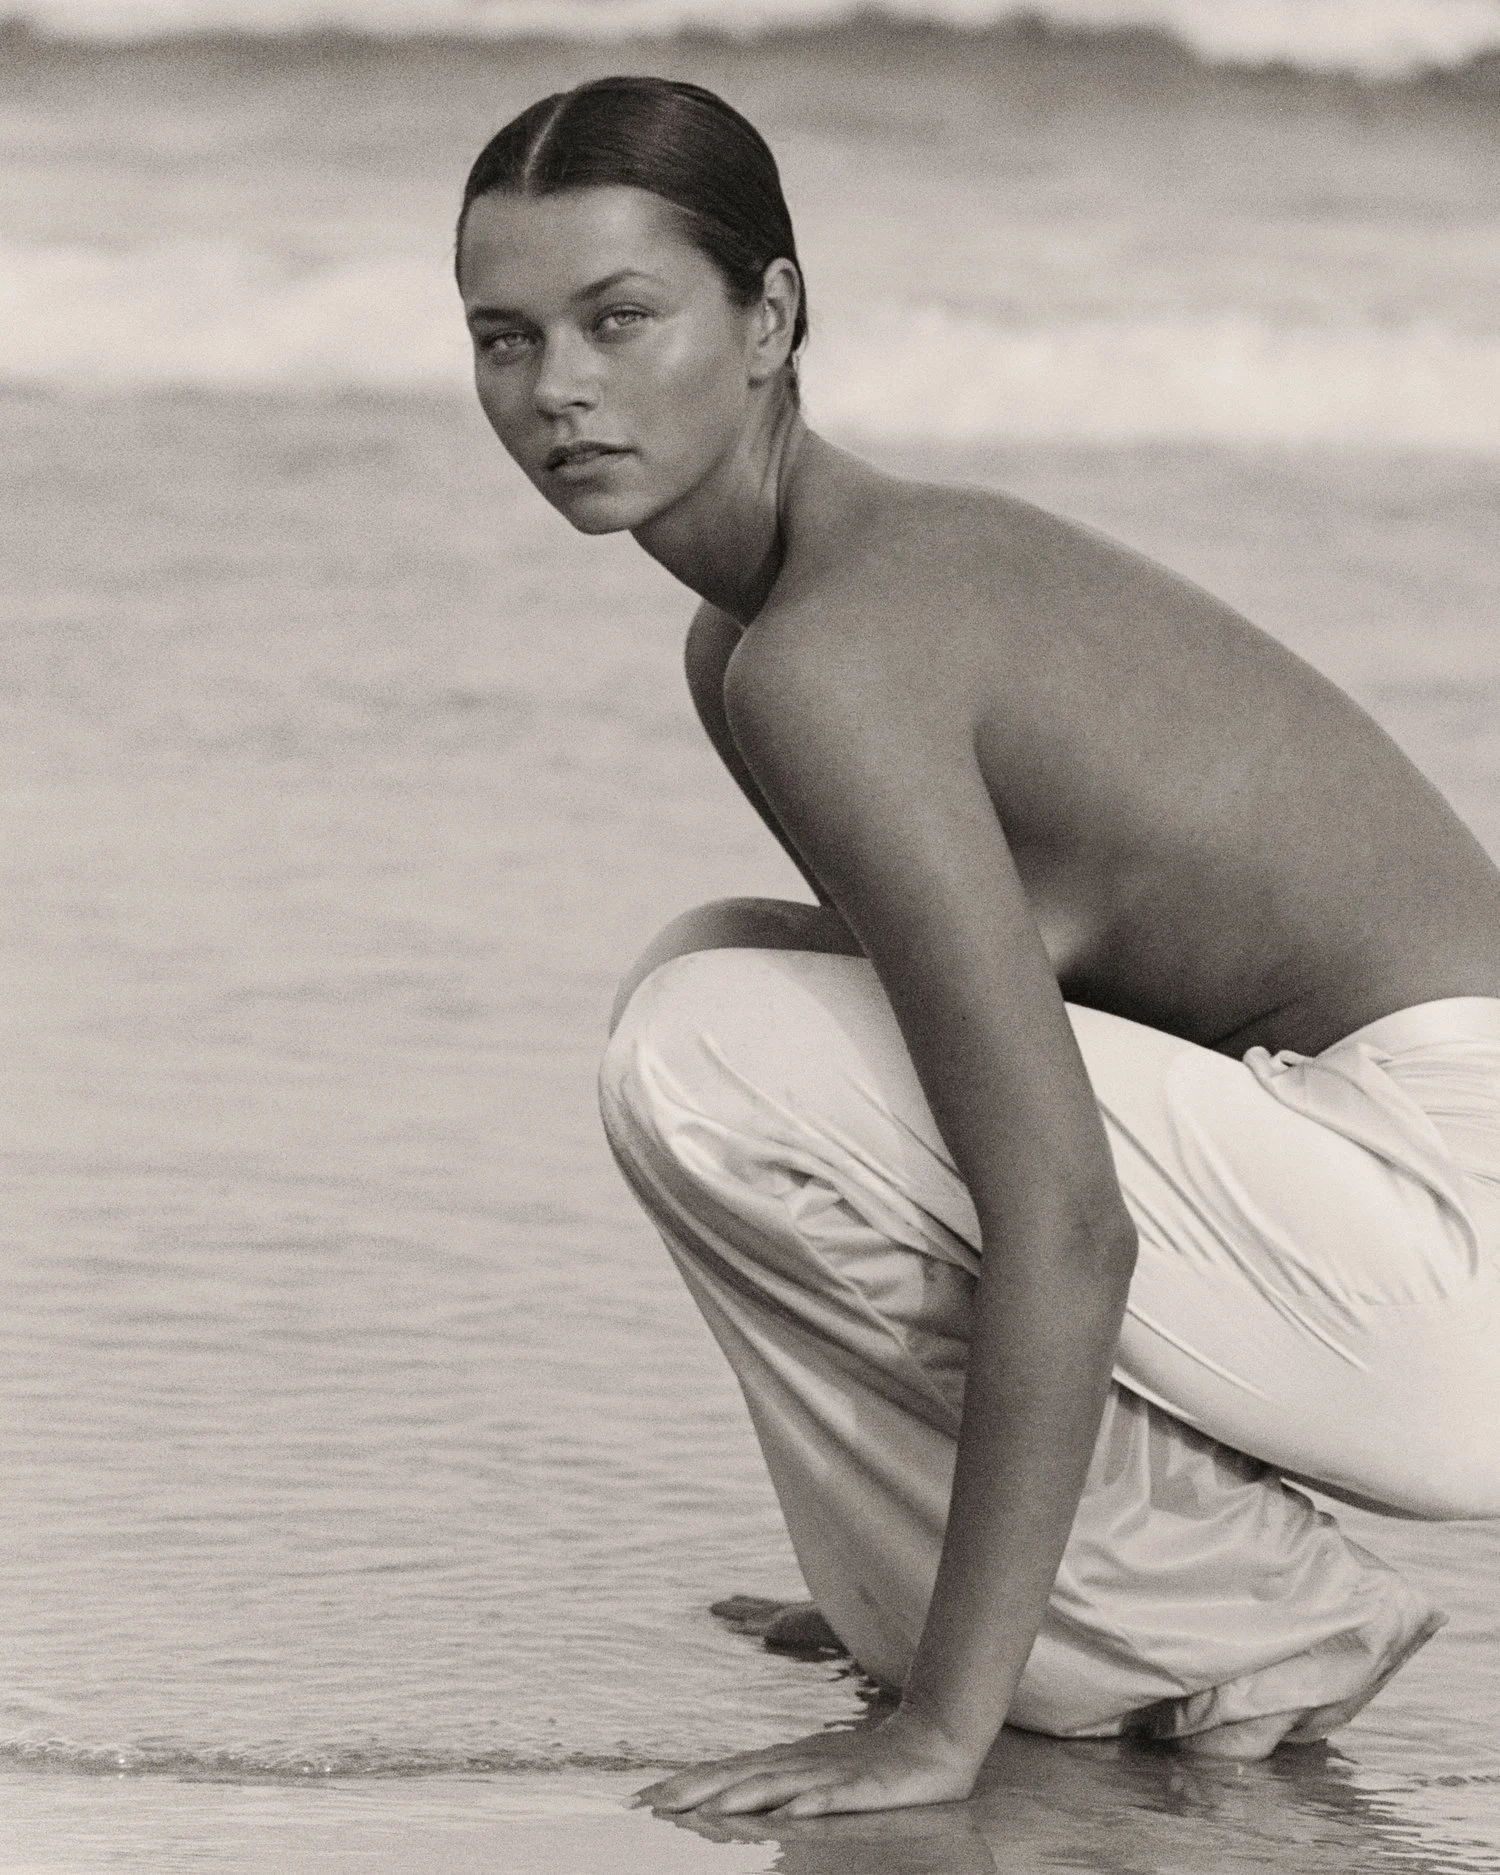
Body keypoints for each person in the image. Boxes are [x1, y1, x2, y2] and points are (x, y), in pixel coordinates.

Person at [454, 75, 1500, 1817]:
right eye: (505, 337)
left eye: (620, 318)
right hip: (1374, 1199)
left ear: (771, 319)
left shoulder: (831, 652)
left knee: (705, 1041)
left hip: (1456, 1237)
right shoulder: (753, 639)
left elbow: (1065, 1217)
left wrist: (941, 1725)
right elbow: (982, 1123)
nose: (557, 388)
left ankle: (1240, 1613)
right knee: (719, 974)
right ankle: (1068, 1597)